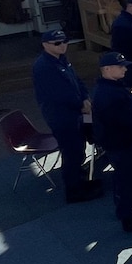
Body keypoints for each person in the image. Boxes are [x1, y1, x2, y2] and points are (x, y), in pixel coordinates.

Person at [32, 29, 100, 202]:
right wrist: (81, 105)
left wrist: (85, 97)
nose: (62, 46)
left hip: (76, 112)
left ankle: (81, 180)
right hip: (62, 117)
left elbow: (76, 81)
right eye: (57, 43)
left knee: (79, 148)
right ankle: (74, 191)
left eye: (64, 42)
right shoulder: (44, 67)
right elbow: (58, 94)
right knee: (72, 152)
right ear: (45, 45)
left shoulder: (62, 59)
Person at [92, 52, 132, 232]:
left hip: (119, 143)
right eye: (120, 66)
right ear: (106, 69)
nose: (125, 68)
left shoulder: (111, 87)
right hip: (121, 144)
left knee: (124, 178)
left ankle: (129, 204)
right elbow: (125, 120)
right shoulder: (108, 94)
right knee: (130, 179)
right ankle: (128, 217)